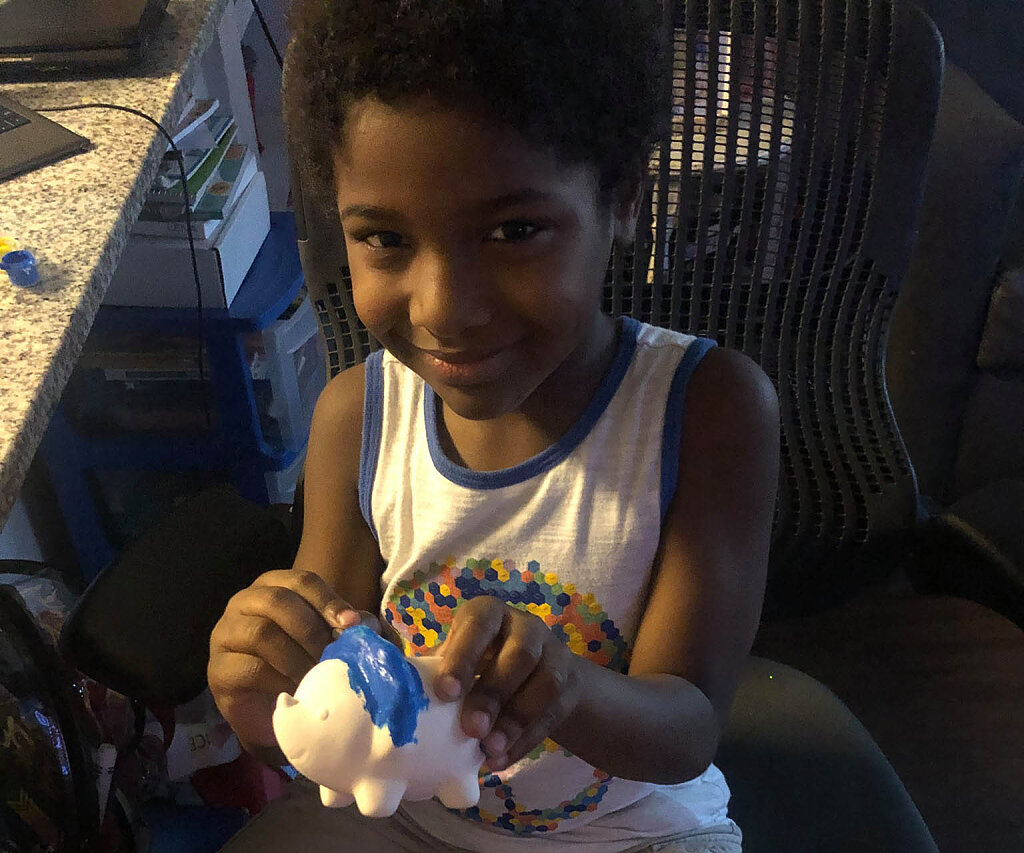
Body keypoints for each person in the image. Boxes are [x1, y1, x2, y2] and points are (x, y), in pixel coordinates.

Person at [209, 1, 779, 850]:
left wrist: (569, 688)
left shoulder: (708, 410)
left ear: (624, 197)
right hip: (408, 819)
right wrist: (266, 701)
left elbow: (686, 730)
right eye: (385, 238)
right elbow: (329, 710)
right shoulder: (356, 419)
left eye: (515, 232)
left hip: (629, 832)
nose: (445, 309)